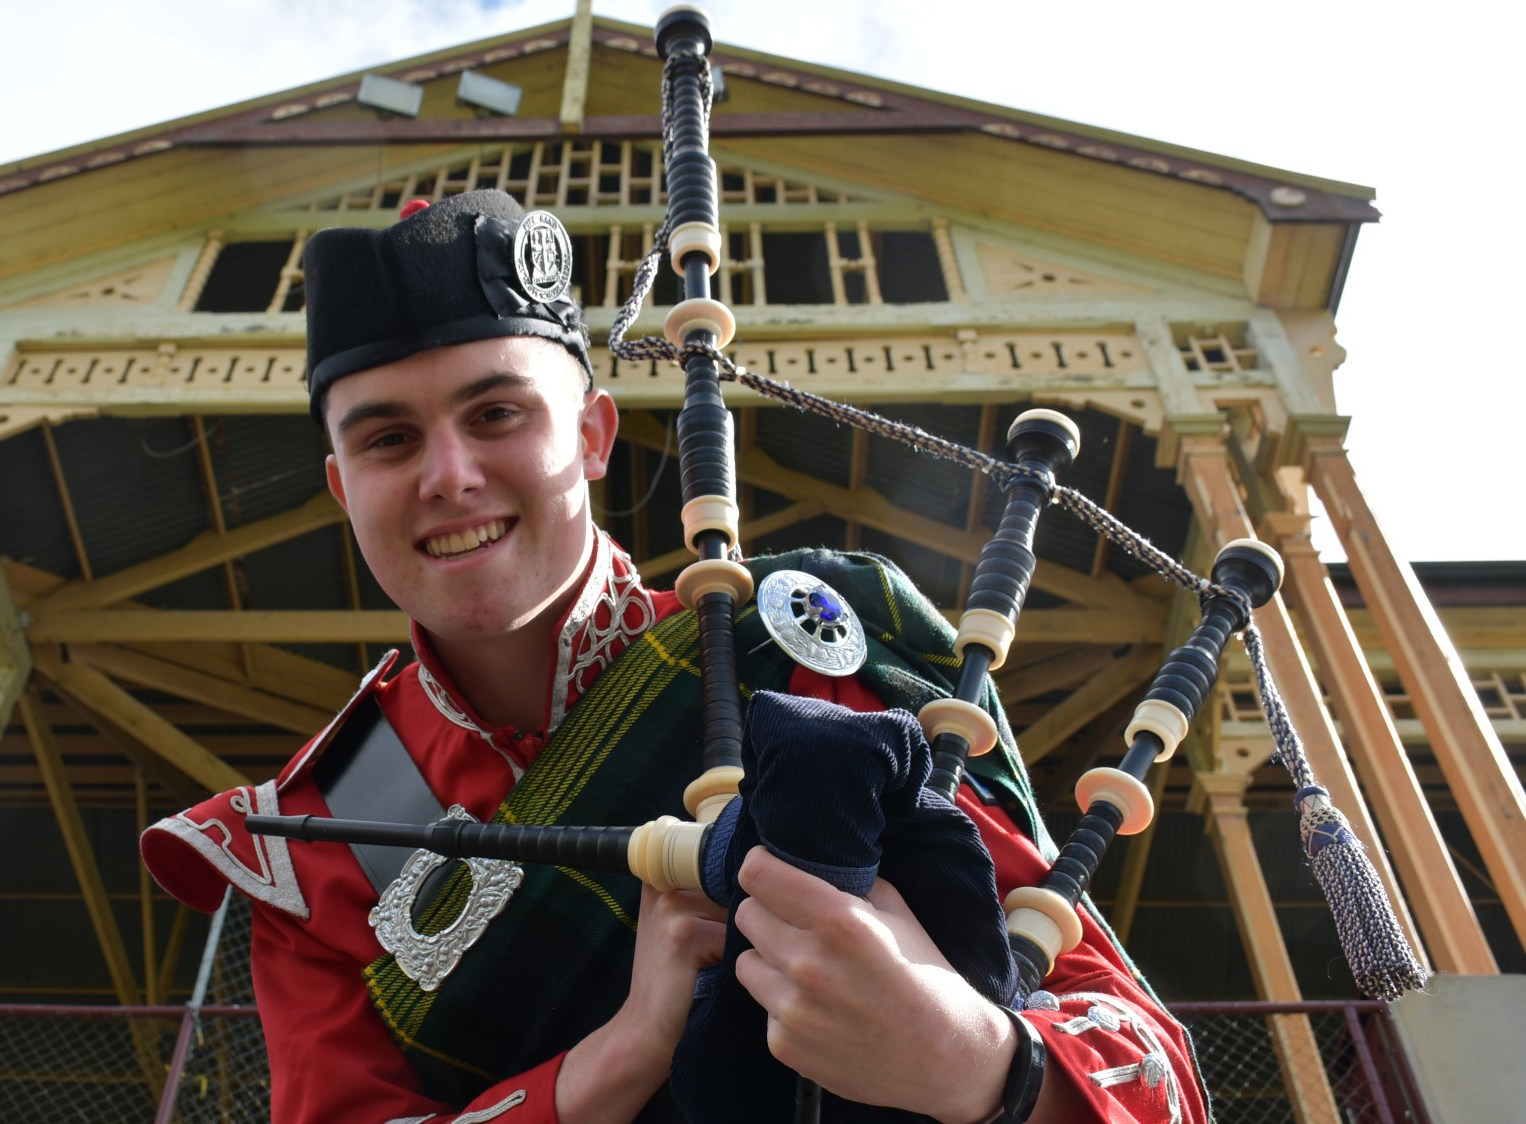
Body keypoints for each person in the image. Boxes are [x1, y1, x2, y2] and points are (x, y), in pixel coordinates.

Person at [141, 191, 1207, 1124]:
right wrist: (619, 1054)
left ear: (594, 436)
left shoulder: (798, 647)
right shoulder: (305, 842)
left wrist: (980, 1063)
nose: (448, 474)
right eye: (387, 439)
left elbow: (1146, 1059)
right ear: (341, 489)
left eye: (497, 412)